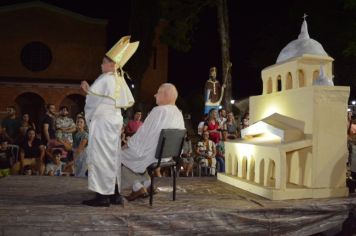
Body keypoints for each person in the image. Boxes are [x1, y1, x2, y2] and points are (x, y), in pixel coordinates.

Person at [80, 35, 138, 207]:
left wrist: (86, 90)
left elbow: (93, 101)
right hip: (114, 123)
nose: (101, 65)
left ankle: (102, 196)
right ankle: (114, 193)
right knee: (112, 157)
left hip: (103, 124)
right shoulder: (119, 80)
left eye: (103, 62)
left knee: (101, 158)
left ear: (112, 65)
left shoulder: (105, 78)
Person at [121, 83, 185, 201]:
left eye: (158, 92)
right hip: (167, 155)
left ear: (165, 95)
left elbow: (143, 134)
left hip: (155, 154)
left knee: (118, 157)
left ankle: (137, 188)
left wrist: (127, 144)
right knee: (137, 159)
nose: (155, 95)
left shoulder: (159, 110)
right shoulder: (178, 113)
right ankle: (148, 184)